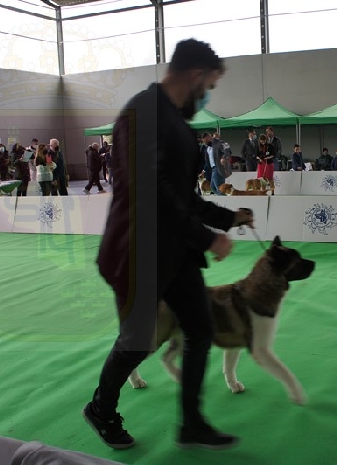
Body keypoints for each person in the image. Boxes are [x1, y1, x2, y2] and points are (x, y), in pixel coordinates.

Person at [83, 38, 252, 451]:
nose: (208, 95)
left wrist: (228, 218)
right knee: (137, 342)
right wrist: (208, 238)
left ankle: (192, 423)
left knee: (200, 328)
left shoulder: (176, 123)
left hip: (175, 252)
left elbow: (184, 197)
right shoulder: (141, 115)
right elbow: (151, 194)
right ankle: (101, 409)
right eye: (209, 86)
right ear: (195, 76)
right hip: (137, 252)